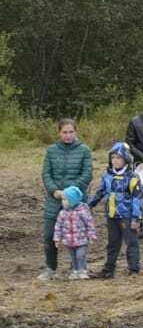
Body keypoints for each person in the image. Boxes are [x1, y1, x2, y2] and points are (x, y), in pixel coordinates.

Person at [39, 118, 93, 280]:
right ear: (59, 133)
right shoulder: (51, 150)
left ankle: (76, 269)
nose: (68, 135)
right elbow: (46, 174)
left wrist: (70, 192)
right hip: (54, 199)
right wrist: (55, 191)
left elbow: (87, 174)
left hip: (76, 200)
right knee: (49, 236)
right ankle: (51, 268)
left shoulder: (84, 150)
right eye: (65, 132)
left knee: (77, 236)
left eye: (71, 132)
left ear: (75, 132)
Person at [89, 142, 142, 278]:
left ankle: (134, 270)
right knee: (112, 243)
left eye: (118, 158)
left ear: (125, 159)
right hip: (111, 215)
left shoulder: (132, 177)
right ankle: (109, 270)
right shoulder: (107, 175)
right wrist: (89, 205)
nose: (115, 161)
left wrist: (136, 217)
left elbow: (137, 198)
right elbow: (99, 192)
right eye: (113, 158)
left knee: (131, 242)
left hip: (127, 215)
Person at [52, 185, 96, 280]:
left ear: (73, 200)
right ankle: (75, 271)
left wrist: (91, 236)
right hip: (69, 241)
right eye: (62, 200)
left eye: (66, 200)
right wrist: (57, 239)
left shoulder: (82, 211)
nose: (63, 202)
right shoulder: (62, 213)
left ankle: (82, 270)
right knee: (73, 257)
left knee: (80, 255)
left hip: (81, 240)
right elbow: (58, 227)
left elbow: (89, 223)